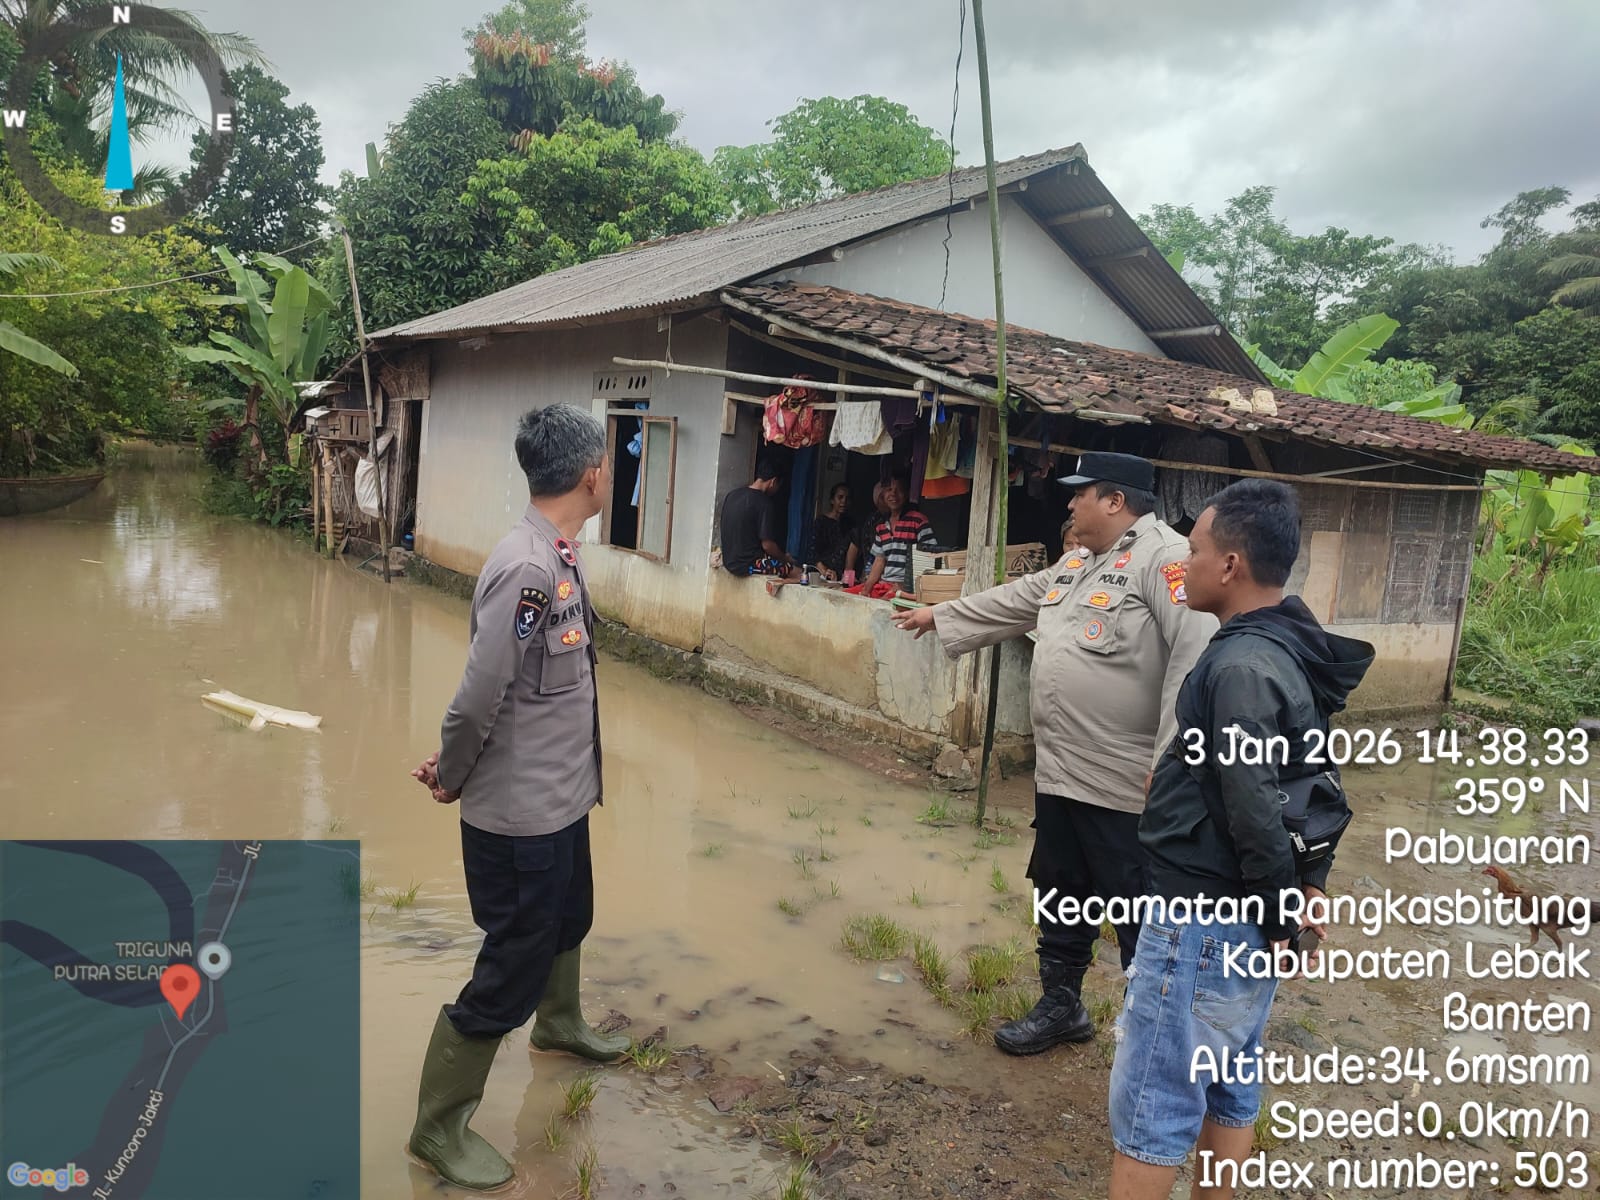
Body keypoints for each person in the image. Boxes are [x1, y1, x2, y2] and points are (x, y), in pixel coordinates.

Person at [893, 452, 1216, 1055]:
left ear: (1115, 501)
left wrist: (1170, 765)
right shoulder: (1077, 563)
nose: (1068, 504)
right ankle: (1062, 1004)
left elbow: (1191, 661)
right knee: (1061, 887)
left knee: (1136, 903)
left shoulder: (1166, 560)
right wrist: (940, 614)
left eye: (1080, 494)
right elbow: (1016, 600)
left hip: (1128, 780)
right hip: (1063, 770)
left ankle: (1147, 1029)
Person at [1108, 480, 1373, 1200]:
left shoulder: (1238, 667)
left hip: (1204, 922)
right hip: (1244, 925)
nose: (1183, 565)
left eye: (1193, 552)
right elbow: (1314, 784)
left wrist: (1280, 911)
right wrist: (1302, 891)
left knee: (1153, 1108)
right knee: (1228, 1079)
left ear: (1229, 567)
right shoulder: (1288, 649)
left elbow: (1255, 803)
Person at [407, 404, 630, 1190]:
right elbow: (478, 697)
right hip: (520, 817)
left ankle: (561, 1025)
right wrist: (454, 773)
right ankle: (437, 1130)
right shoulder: (527, 567)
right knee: (508, 969)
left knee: (572, 918)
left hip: (563, 799)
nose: (610, 470)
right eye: (607, 460)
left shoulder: (560, 552)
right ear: (589, 474)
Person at [858, 472, 943, 595]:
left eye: (899, 490)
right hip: (885, 584)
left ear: (907, 494)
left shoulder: (918, 520)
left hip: (907, 587)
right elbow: (879, 561)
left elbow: (932, 555)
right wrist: (866, 589)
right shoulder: (881, 526)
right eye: (889, 490)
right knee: (849, 594)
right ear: (883, 494)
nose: (893, 494)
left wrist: (907, 585)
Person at [721, 458, 798, 578]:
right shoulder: (764, 503)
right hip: (747, 566)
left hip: (728, 561)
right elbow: (767, 545)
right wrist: (784, 558)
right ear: (773, 481)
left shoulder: (732, 495)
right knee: (796, 572)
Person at [843, 482, 886, 586]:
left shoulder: (896, 520)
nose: (885, 500)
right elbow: (855, 542)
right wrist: (848, 575)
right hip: (868, 574)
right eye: (881, 497)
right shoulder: (870, 520)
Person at [810, 482, 853, 580]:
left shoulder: (851, 525)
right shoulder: (821, 522)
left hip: (842, 576)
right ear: (832, 500)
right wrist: (824, 571)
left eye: (847, 498)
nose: (844, 501)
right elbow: (813, 551)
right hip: (822, 573)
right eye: (840, 497)